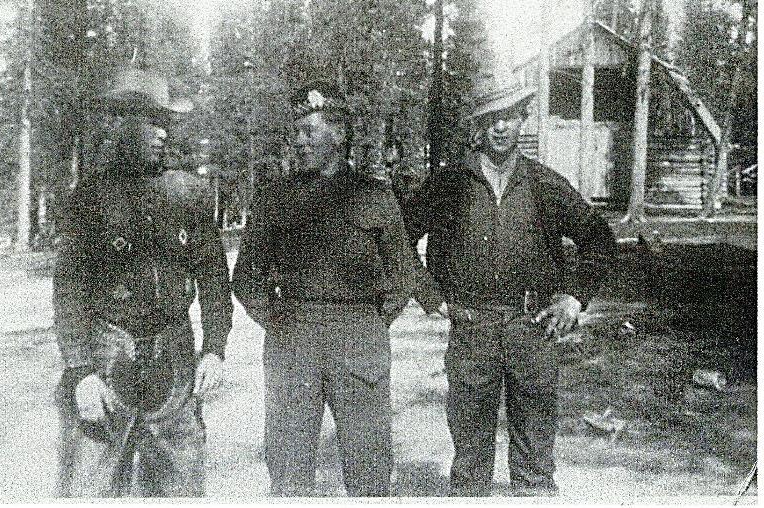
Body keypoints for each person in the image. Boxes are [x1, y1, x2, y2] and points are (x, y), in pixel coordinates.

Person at [404, 92, 617, 496]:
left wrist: (574, 297)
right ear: (478, 127)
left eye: (509, 117)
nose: (500, 127)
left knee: (536, 464)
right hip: (472, 328)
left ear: (522, 120)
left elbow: (599, 238)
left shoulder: (544, 183)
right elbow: (397, 239)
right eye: (491, 119)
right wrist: (431, 294)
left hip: (532, 329)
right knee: (469, 466)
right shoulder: (449, 183)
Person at [232, 80, 418, 497]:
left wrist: (367, 321)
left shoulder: (374, 196)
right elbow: (246, 278)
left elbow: (402, 274)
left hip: (358, 337)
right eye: (294, 131)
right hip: (292, 337)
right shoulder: (273, 198)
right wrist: (280, 321)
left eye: (307, 131)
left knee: (369, 467)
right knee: (288, 468)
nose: (297, 142)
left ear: (338, 134)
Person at [53, 67, 233, 497]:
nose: (162, 133)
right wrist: (81, 371)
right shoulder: (91, 197)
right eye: (152, 121)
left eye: (166, 122)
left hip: (173, 362)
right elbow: (69, 292)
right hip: (106, 357)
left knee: (180, 488)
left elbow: (212, 275)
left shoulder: (188, 193)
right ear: (121, 123)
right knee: (90, 486)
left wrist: (214, 349)